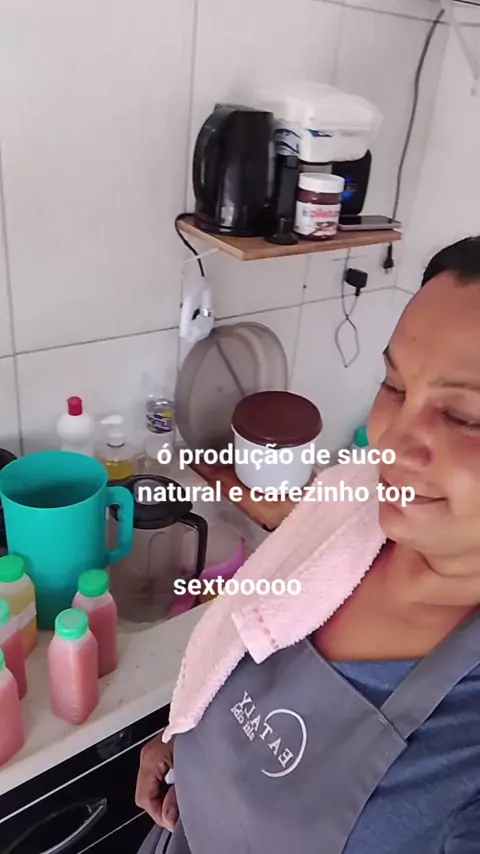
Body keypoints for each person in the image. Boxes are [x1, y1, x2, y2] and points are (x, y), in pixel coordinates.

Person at [136, 236, 480, 853]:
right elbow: (236, 639)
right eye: (395, 386)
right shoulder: (354, 508)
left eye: (464, 417)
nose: (389, 443)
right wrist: (187, 729)